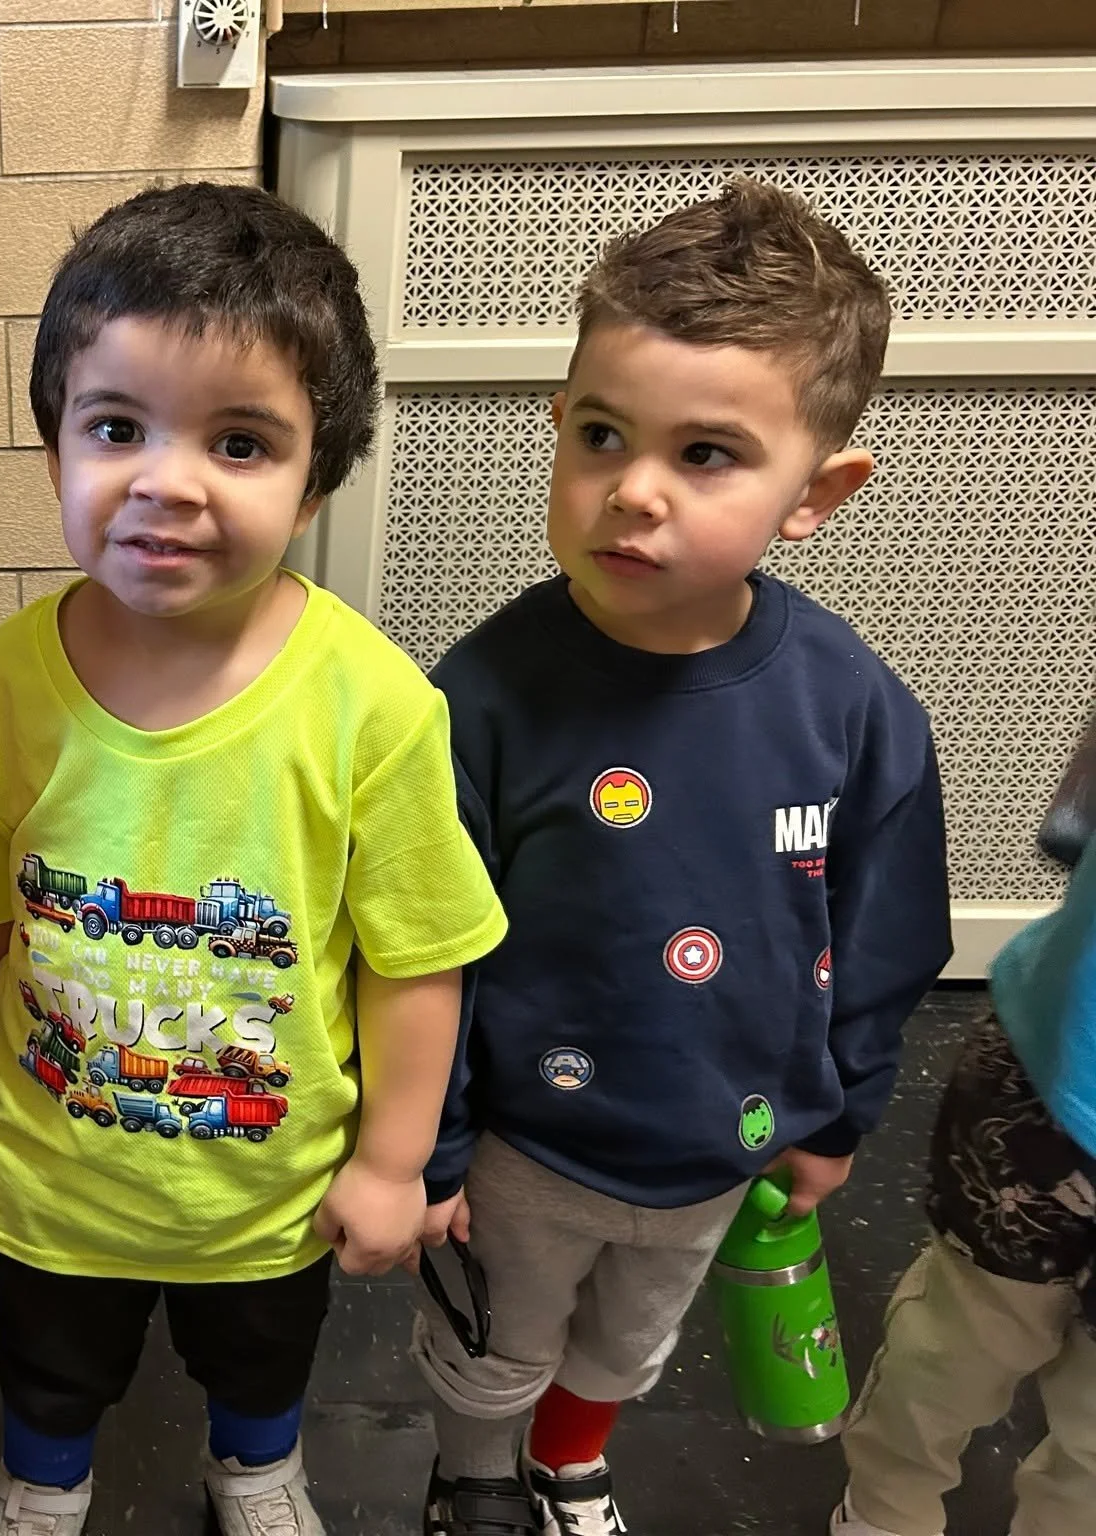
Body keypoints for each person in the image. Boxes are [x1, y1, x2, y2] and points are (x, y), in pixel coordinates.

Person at [0, 181, 508, 1536]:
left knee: (259, 1361)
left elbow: (418, 959)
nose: (165, 481)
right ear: (54, 445)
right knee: (48, 1368)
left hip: (264, 1186)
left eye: (238, 442)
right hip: (49, 1170)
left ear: (314, 479)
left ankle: (255, 1471)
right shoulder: (4, 682)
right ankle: (39, 1487)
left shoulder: (373, 704)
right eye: (115, 426)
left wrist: (393, 1163)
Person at [415, 180, 953, 1536]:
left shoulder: (853, 706)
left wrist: (840, 1112)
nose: (631, 492)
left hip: (729, 1138)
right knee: (497, 1341)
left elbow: (886, 930)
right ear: (557, 425)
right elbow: (422, 943)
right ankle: (473, 1475)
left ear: (815, 493)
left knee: (625, 1344)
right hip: (526, 1144)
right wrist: (431, 1143)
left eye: (705, 453)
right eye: (600, 434)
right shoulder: (478, 697)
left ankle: (568, 1462)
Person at [830, 771, 1096, 1534]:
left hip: (1052, 1070)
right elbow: (1072, 826)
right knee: (958, 1349)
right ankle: (884, 1513)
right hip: (1047, 1092)